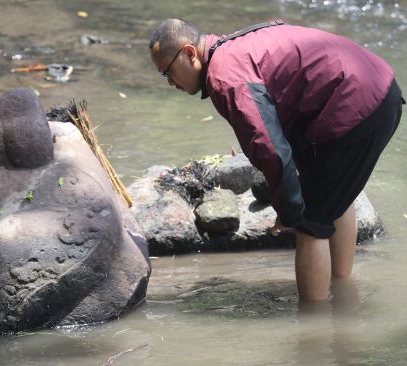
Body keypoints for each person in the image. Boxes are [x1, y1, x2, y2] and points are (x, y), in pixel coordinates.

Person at [149, 19, 404, 304]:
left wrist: (290, 208)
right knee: (335, 200)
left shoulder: (225, 78)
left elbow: (268, 147)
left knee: (310, 224)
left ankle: (313, 331)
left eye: (168, 73)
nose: (171, 83)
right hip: (383, 90)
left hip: (356, 105)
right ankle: (345, 293)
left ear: (188, 53)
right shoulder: (235, 45)